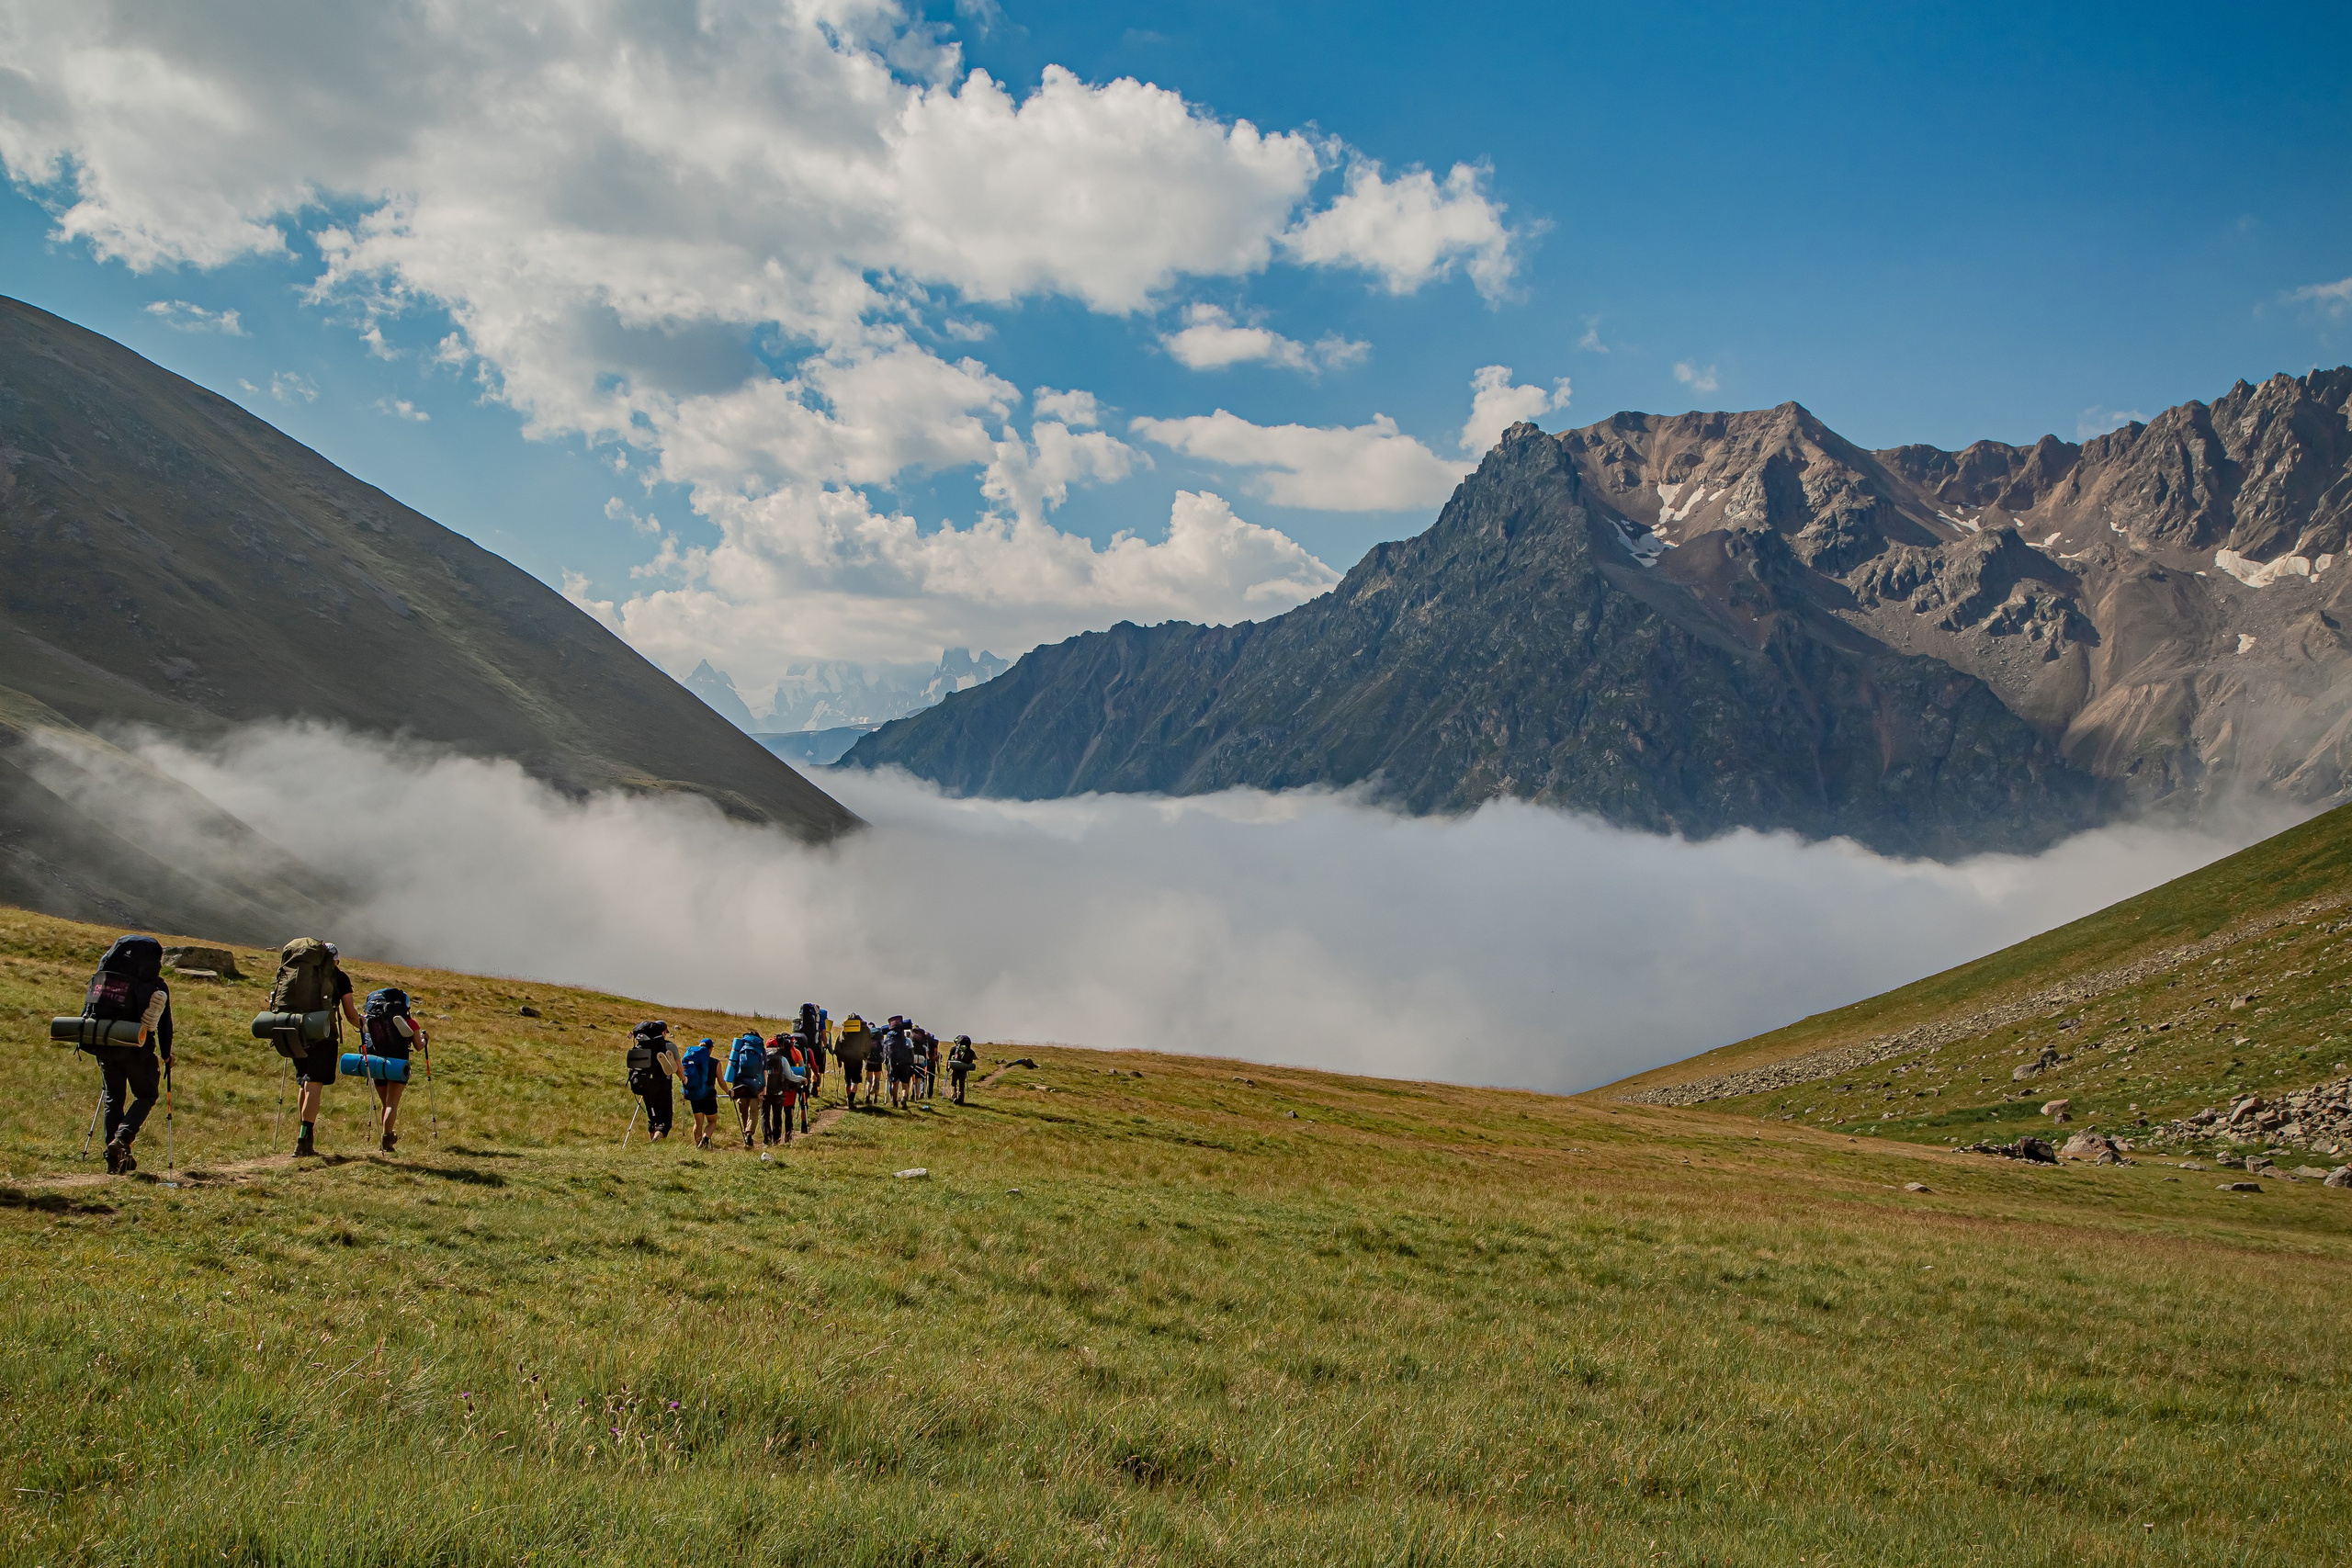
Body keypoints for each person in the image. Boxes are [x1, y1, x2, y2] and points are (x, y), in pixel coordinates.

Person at [76, 934, 174, 1175]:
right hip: (136, 1048)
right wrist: (166, 1054)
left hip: (104, 1044)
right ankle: (122, 1139)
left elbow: (88, 1010)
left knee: (114, 1097)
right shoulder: (156, 986)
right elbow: (165, 1023)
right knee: (146, 1094)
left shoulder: (103, 979)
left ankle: (115, 1160)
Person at [274, 938, 366, 1158]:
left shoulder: (297, 971)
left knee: (303, 1082)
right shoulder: (338, 976)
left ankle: (303, 1136)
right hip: (323, 1033)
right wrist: (362, 1024)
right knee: (314, 1084)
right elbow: (349, 1013)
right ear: (335, 960)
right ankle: (304, 1139)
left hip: (294, 1028)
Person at [357, 987, 428, 1153]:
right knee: (392, 1104)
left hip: (377, 1063)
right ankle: (386, 1139)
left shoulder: (374, 1021)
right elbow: (418, 1046)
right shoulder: (410, 1023)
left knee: (385, 1104)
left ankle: (388, 1135)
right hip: (397, 1063)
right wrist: (425, 1039)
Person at [627, 1021, 679, 1141]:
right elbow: (678, 1069)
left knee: (653, 1118)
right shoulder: (668, 1046)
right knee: (665, 1123)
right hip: (662, 1087)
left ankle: (652, 1140)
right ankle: (655, 1141)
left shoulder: (642, 1046)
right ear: (663, 1032)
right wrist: (684, 1080)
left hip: (643, 1082)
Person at [724, 1029, 767, 1148]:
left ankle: (745, 1134)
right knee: (753, 1112)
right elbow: (764, 1070)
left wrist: (734, 1086)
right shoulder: (761, 1049)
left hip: (740, 1084)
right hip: (756, 1086)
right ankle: (749, 1134)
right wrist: (764, 1088)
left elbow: (733, 1065)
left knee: (743, 1111)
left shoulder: (740, 1046)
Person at [680, 1037, 721, 1148]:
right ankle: (705, 1139)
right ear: (710, 1049)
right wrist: (728, 1091)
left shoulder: (693, 1060)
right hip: (709, 1096)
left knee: (698, 1123)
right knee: (712, 1122)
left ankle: (698, 1146)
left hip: (695, 1094)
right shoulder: (715, 1062)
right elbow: (721, 1081)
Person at [836, 1014, 872, 1107]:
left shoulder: (845, 1030)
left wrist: (839, 1058)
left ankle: (849, 1099)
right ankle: (851, 1099)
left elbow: (839, 1043)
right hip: (857, 1058)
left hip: (847, 1058)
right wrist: (865, 1055)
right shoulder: (862, 1030)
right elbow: (867, 1043)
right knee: (855, 1080)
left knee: (848, 1081)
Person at [886, 1021, 918, 1110]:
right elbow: (912, 1054)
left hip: (893, 1064)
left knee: (894, 1084)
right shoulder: (908, 1040)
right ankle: (903, 1099)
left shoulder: (890, 1040)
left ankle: (894, 1102)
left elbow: (886, 1053)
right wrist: (912, 1064)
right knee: (905, 1084)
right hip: (905, 1065)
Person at [947, 1034, 977, 1105]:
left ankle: (954, 1097)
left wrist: (947, 1068)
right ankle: (961, 1100)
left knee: (953, 1084)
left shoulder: (954, 1049)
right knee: (961, 1085)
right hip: (963, 1071)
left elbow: (949, 1059)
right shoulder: (970, 1051)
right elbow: (974, 1059)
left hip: (955, 1069)